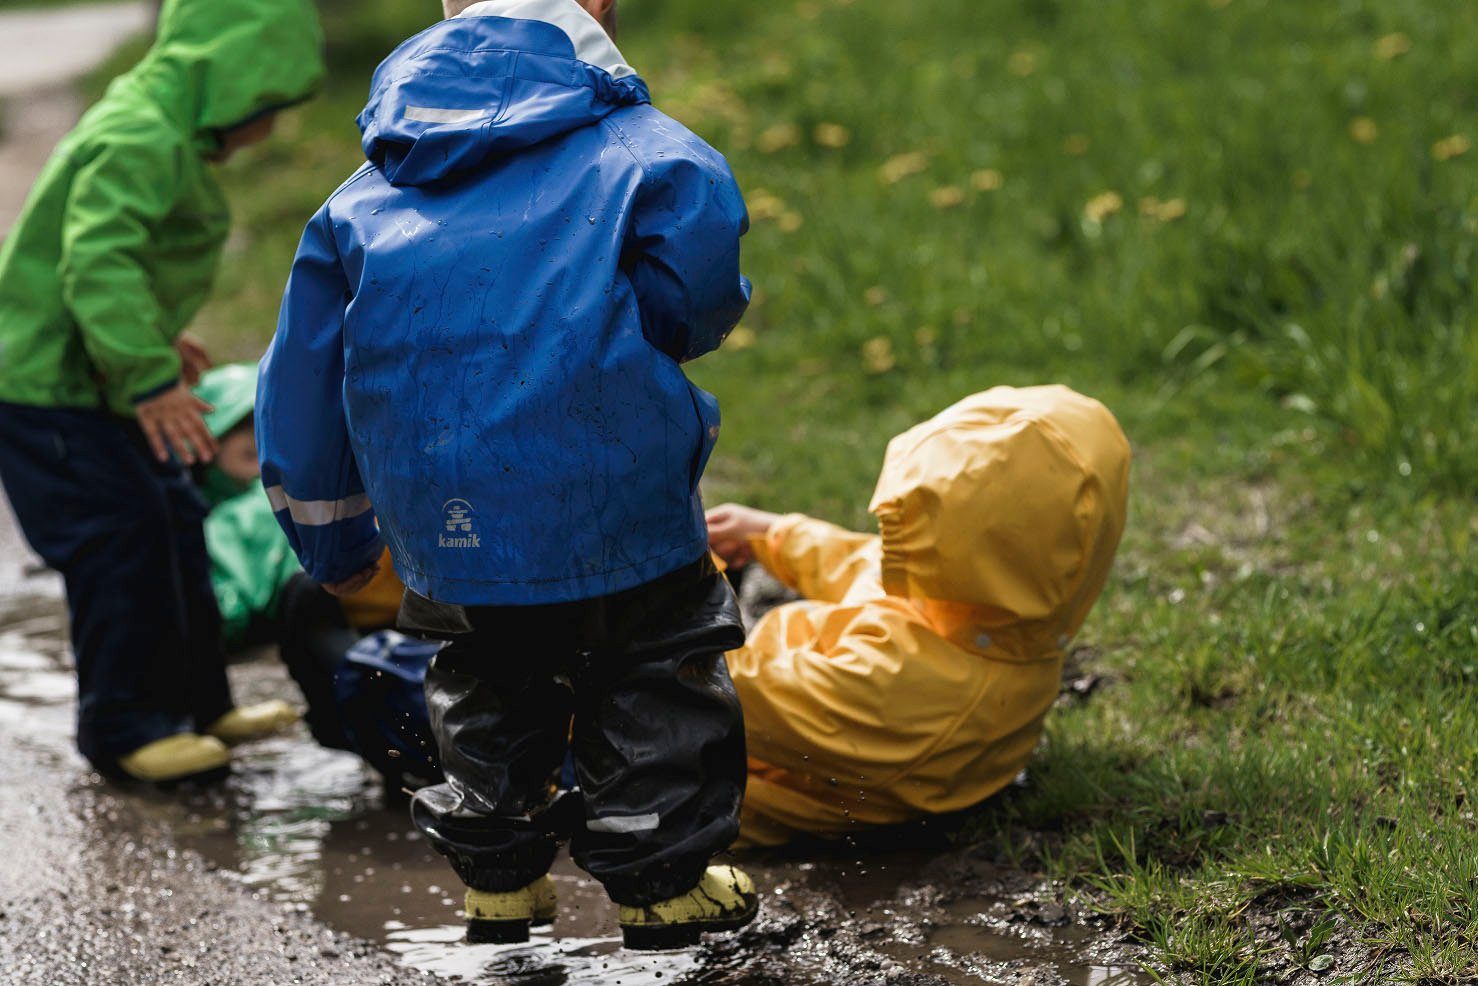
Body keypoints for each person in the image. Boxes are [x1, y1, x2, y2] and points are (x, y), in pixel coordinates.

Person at [256, 0, 758, 950]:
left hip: (450, 523)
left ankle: (499, 884)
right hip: (619, 494)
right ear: (596, 6)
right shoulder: (649, 151)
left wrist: (332, 536)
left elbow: (303, 386)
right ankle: (659, 882)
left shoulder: (362, 196)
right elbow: (696, 297)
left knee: (484, 679)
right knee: (657, 669)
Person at [0, 0, 326, 784]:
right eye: (270, 105)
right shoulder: (141, 137)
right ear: (232, 81)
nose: (272, 127)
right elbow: (97, 264)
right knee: (117, 543)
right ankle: (123, 728)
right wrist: (147, 378)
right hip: (48, 391)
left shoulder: (164, 124)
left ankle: (197, 702)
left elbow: (109, 265)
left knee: (178, 520)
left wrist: (151, 339)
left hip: (90, 375)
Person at [707, 385, 1132, 846]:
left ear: (968, 556)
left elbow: (717, 693)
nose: (894, 537)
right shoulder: (993, 606)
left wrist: (683, 584)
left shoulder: (909, 690)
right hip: (784, 713)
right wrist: (774, 535)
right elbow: (867, 566)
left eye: (922, 526)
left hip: (713, 785)